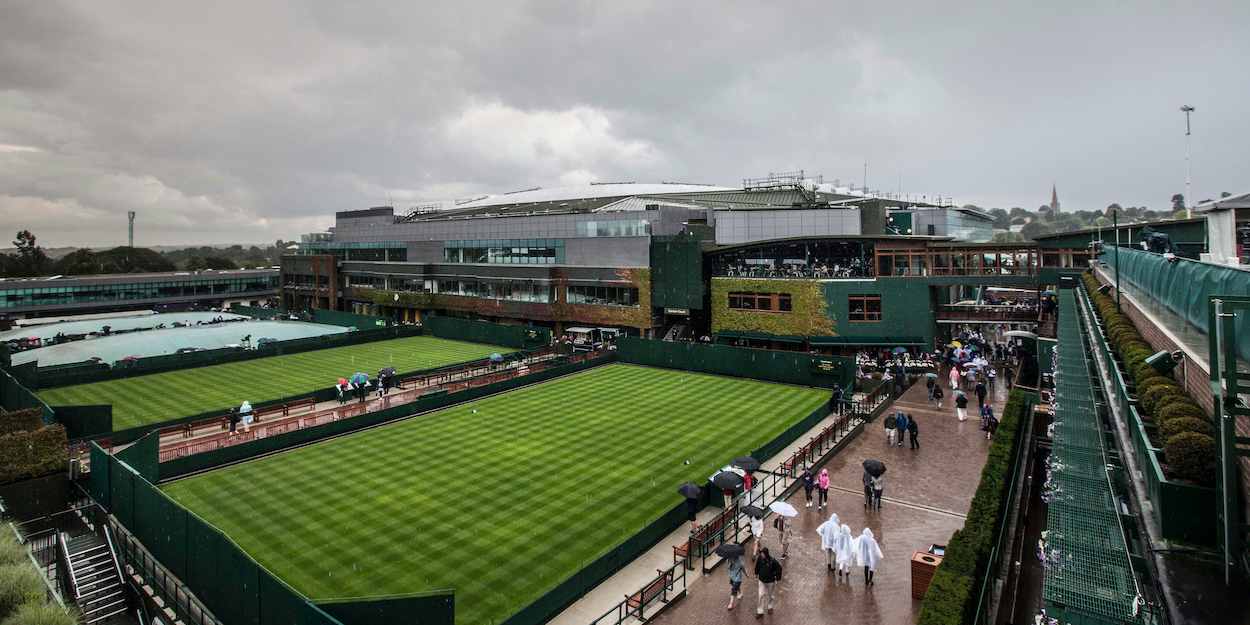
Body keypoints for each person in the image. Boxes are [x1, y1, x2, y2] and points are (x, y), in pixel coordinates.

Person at [754, 547, 782, 616]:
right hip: (762, 580)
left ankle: (770, 606)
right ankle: (760, 611)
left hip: (770, 581)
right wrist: (756, 573)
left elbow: (779, 568)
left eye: (763, 553)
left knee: (770, 595)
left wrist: (777, 578)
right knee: (761, 595)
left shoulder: (772, 561)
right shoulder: (760, 559)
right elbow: (757, 566)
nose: (762, 555)